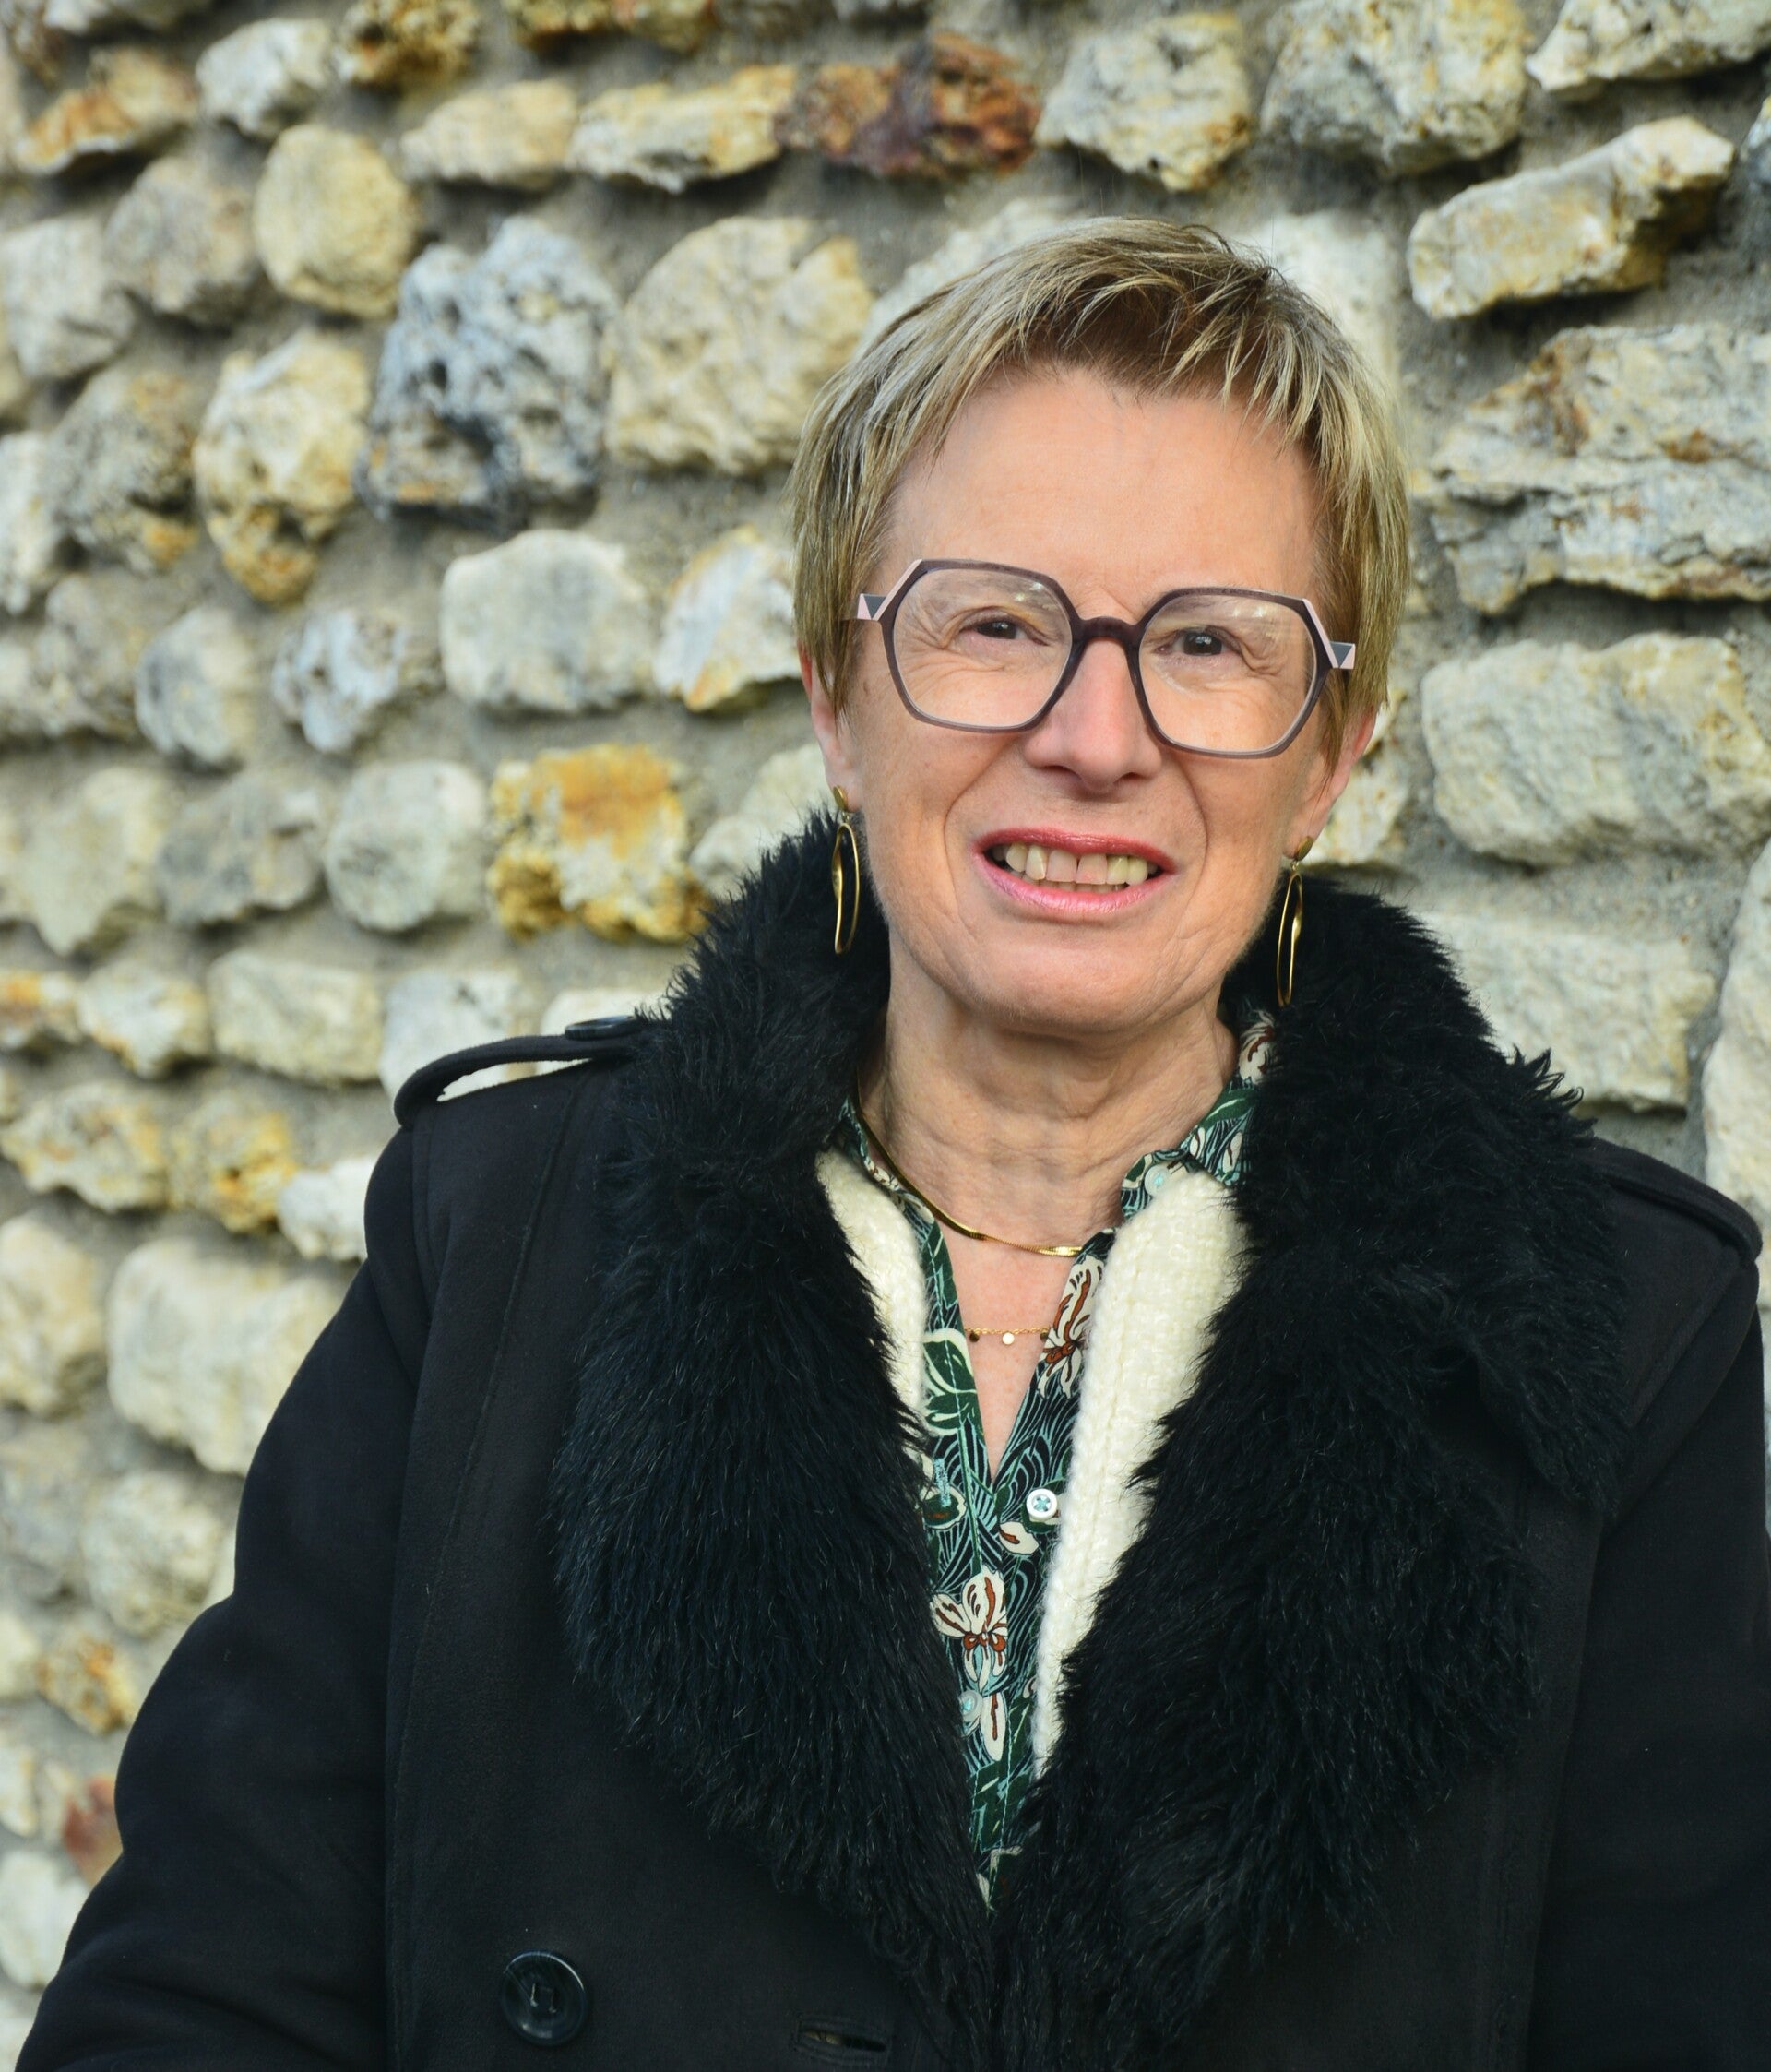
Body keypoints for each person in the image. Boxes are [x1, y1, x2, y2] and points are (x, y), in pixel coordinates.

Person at [19, 220, 1771, 2071]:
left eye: (1208, 644)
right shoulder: (494, 1245)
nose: (1094, 737)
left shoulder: (1620, 1338)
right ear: (835, 700)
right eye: (995, 623)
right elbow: (199, 2004)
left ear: (1329, 752)